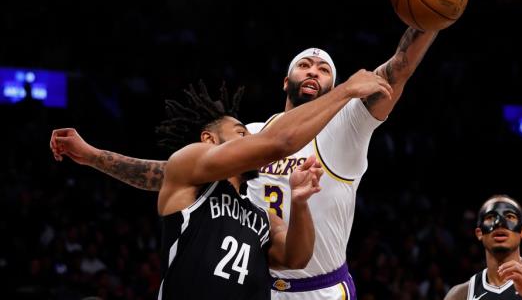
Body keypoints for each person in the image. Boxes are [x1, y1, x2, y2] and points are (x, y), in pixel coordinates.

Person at [50, 0, 479, 300]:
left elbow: (399, 68)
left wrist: (434, 15)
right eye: (304, 65)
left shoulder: (349, 122)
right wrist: (96, 157)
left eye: (324, 68)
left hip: (321, 288)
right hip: (255, 286)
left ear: (335, 85)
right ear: (285, 80)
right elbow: (170, 173)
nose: (313, 71)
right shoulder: (251, 135)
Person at [51, 73, 392, 299]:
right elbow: (280, 141)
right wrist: (346, 90)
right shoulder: (191, 170)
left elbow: (297, 256)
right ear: (209, 139)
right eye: (242, 133)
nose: (252, 139)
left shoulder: (259, 214)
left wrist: (300, 203)